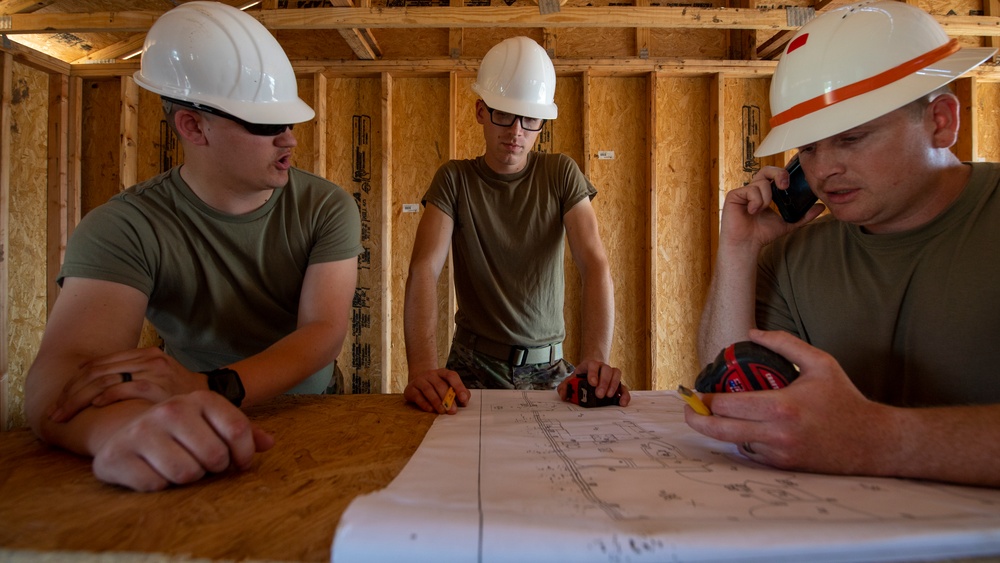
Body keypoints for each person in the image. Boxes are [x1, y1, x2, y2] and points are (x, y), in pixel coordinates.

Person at [24, 1, 362, 492]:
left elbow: (324, 330)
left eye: (289, 123)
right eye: (265, 126)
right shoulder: (125, 226)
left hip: (309, 408)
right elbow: (63, 373)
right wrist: (117, 430)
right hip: (190, 420)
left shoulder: (327, 206)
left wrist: (212, 386)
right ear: (193, 126)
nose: (288, 140)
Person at [688, 0, 1000, 488]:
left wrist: (880, 439)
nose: (823, 169)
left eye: (851, 138)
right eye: (808, 148)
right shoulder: (797, 256)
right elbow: (733, 387)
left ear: (941, 121)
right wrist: (739, 250)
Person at [403, 36, 630, 414]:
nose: (516, 131)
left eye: (530, 119)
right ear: (480, 110)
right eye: (503, 115)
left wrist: (595, 361)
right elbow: (424, 269)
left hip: (550, 368)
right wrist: (422, 370)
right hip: (471, 367)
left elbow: (594, 264)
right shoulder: (454, 180)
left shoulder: (561, 174)